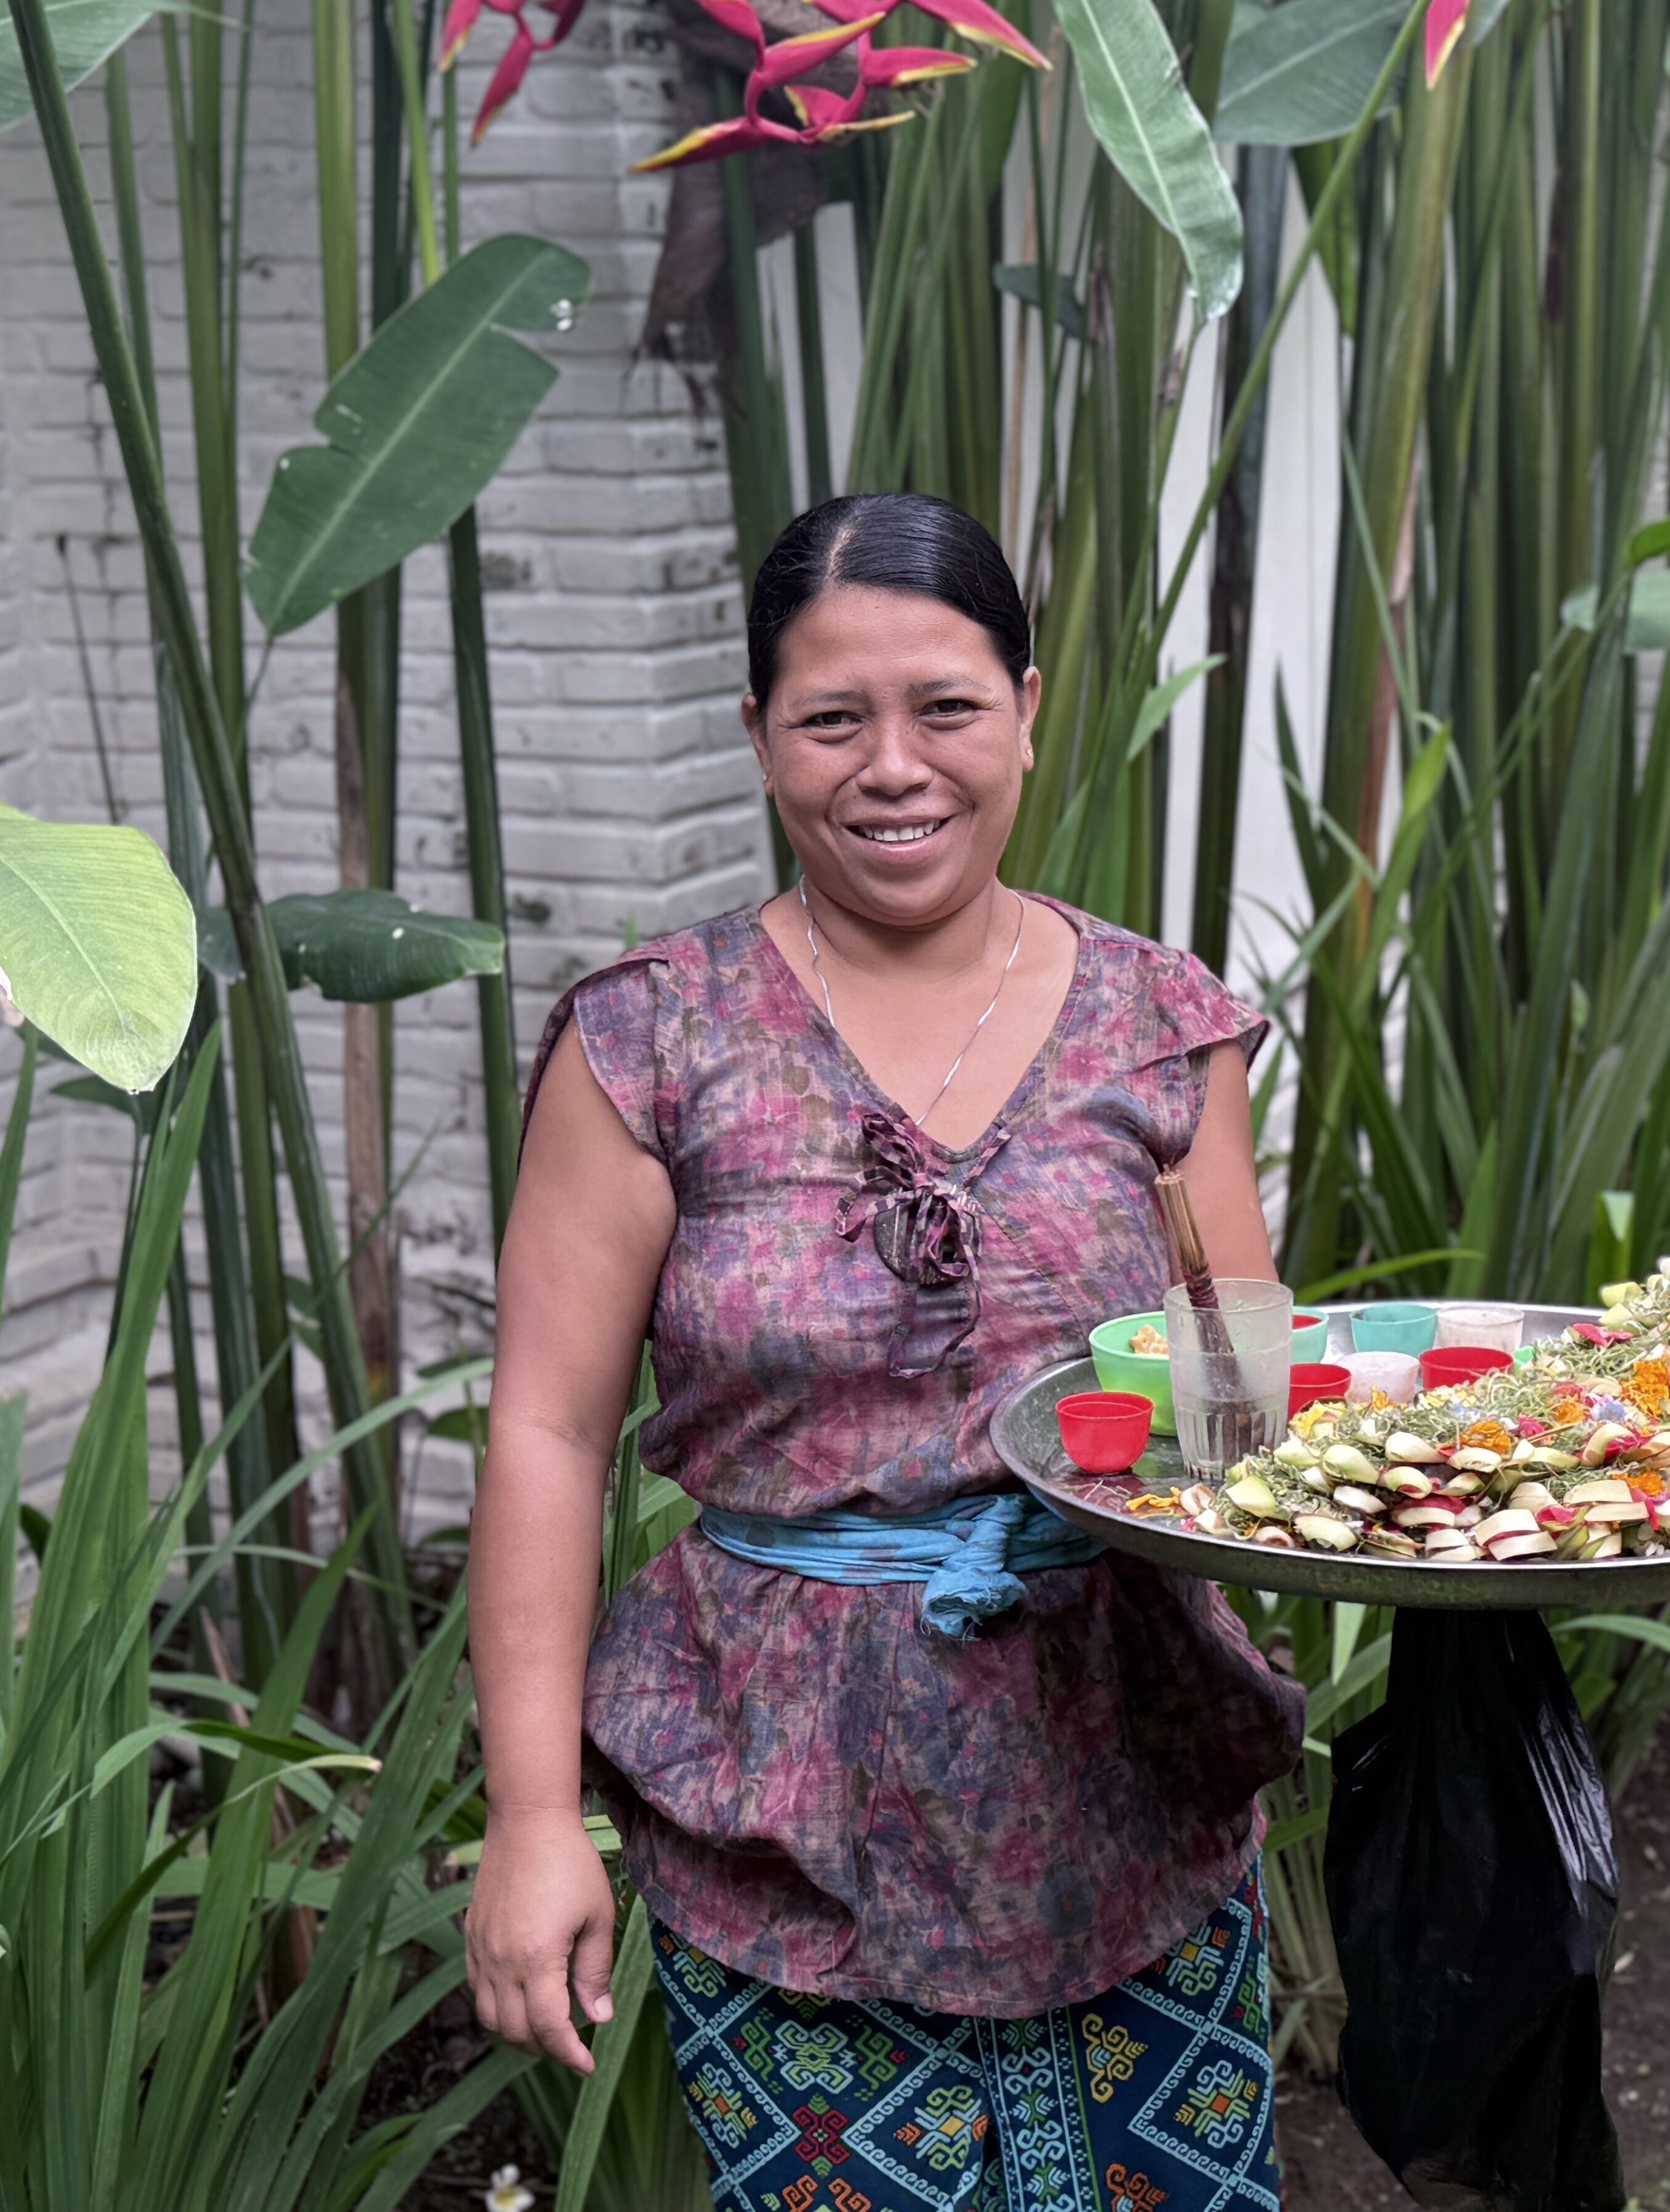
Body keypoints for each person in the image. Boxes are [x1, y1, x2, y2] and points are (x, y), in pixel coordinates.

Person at [464, 491, 1306, 2212]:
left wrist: (1456, 1523)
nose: (895, 767)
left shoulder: (1163, 1029)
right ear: (758, 732)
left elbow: (1240, 1414)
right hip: (783, 1801)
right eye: (832, 719)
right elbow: (546, 1435)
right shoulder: (654, 1042)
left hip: (1127, 1770)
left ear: (1029, 708)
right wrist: (534, 1820)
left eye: (947, 707)